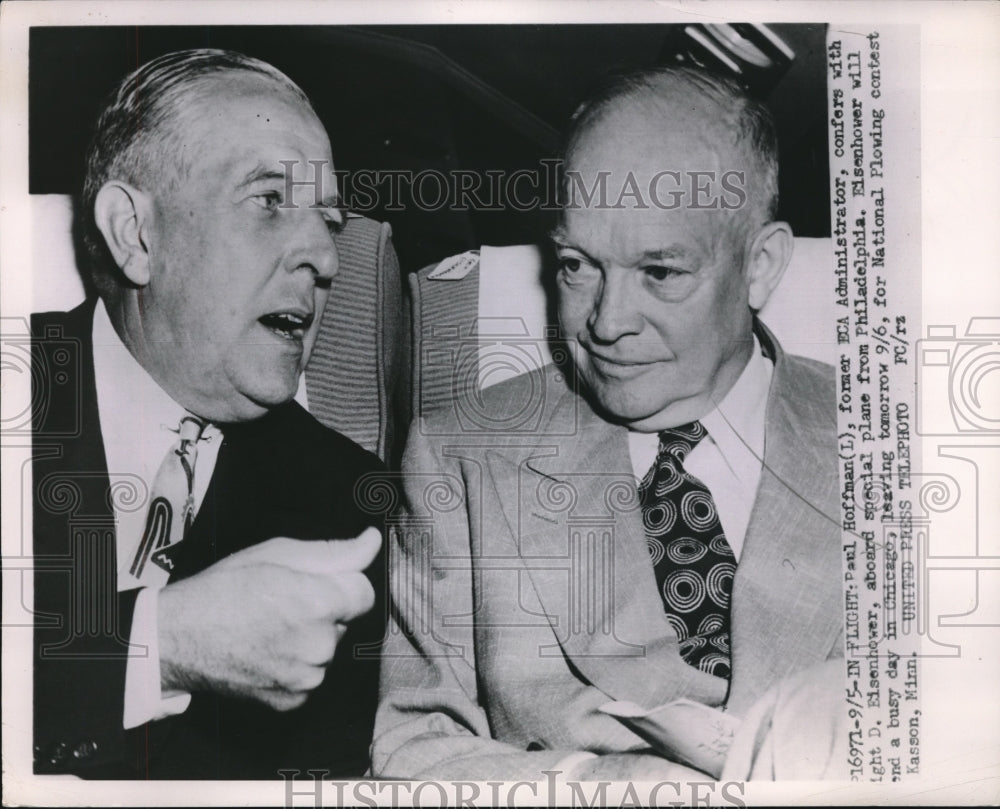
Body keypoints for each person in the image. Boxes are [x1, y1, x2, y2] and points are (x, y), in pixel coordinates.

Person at [373, 66, 845, 781]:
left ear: (761, 265)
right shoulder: (461, 458)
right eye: (577, 265)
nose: (606, 322)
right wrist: (596, 786)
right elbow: (410, 749)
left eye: (660, 273)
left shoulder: (894, 442)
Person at [31, 49, 385, 779]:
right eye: (269, 200)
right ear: (135, 234)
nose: (325, 256)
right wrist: (159, 646)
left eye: (329, 219)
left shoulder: (350, 499)